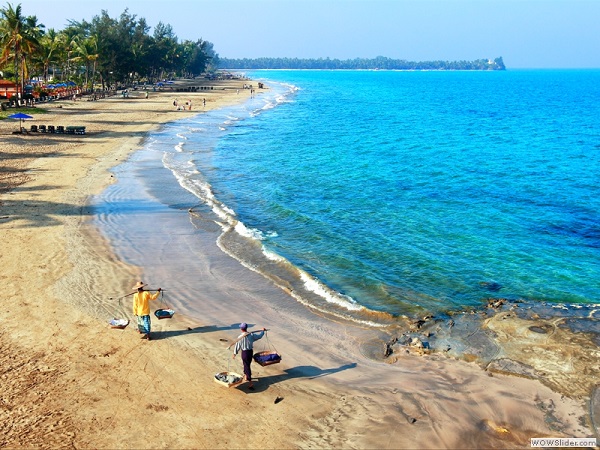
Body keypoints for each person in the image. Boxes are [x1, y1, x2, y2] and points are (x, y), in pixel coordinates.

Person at [232, 323, 266, 389]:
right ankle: (246, 376)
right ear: (246, 328)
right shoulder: (251, 335)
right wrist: (263, 331)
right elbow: (259, 336)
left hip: (245, 353)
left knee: (247, 366)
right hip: (250, 352)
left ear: (241, 329)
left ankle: (250, 383)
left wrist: (234, 353)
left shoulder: (240, 337)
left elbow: (237, 346)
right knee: (246, 364)